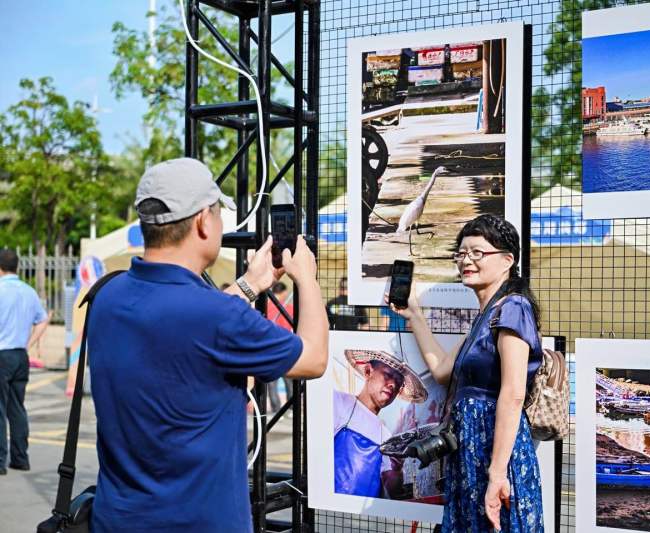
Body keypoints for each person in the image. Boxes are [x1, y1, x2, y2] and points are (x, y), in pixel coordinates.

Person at [87, 158, 329, 532]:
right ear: (203, 221)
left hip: (117, 520)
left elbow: (183, 323)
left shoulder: (108, 295)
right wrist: (308, 279)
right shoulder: (215, 316)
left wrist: (250, 284)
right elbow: (313, 358)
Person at [389, 214, 544, 532]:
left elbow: (513, 394)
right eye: (461, 254)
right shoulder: (484, 318)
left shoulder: (513, 307)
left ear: (507, 260)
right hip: (470, 451)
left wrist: (498, 473)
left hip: (495, 449)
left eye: (477, 252)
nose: (466, 261)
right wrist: (415, 315)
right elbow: (443, 371)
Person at [334, 349, 427, 498]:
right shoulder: (339, 402)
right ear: (368, 371)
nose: (392, 385)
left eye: (398, 382)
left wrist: (397, 470)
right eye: (388, 375)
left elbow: (391, 488)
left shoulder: (387, 436)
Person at [0, 249, 49, 475]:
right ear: (17, 267)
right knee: (17, 408)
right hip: (21, 354)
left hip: (2, 354)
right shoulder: (29, 292)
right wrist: (28, 343)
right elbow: (42, 320)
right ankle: (20, 458)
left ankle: (0, 460)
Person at [265, 281, 294, 411]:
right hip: (286, 347)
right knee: (290, 381)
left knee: (271, 383)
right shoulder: (290, 308)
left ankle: (276, 410)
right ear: (283, 293)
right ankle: (292, 408)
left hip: (269, 348)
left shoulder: (265, 306)